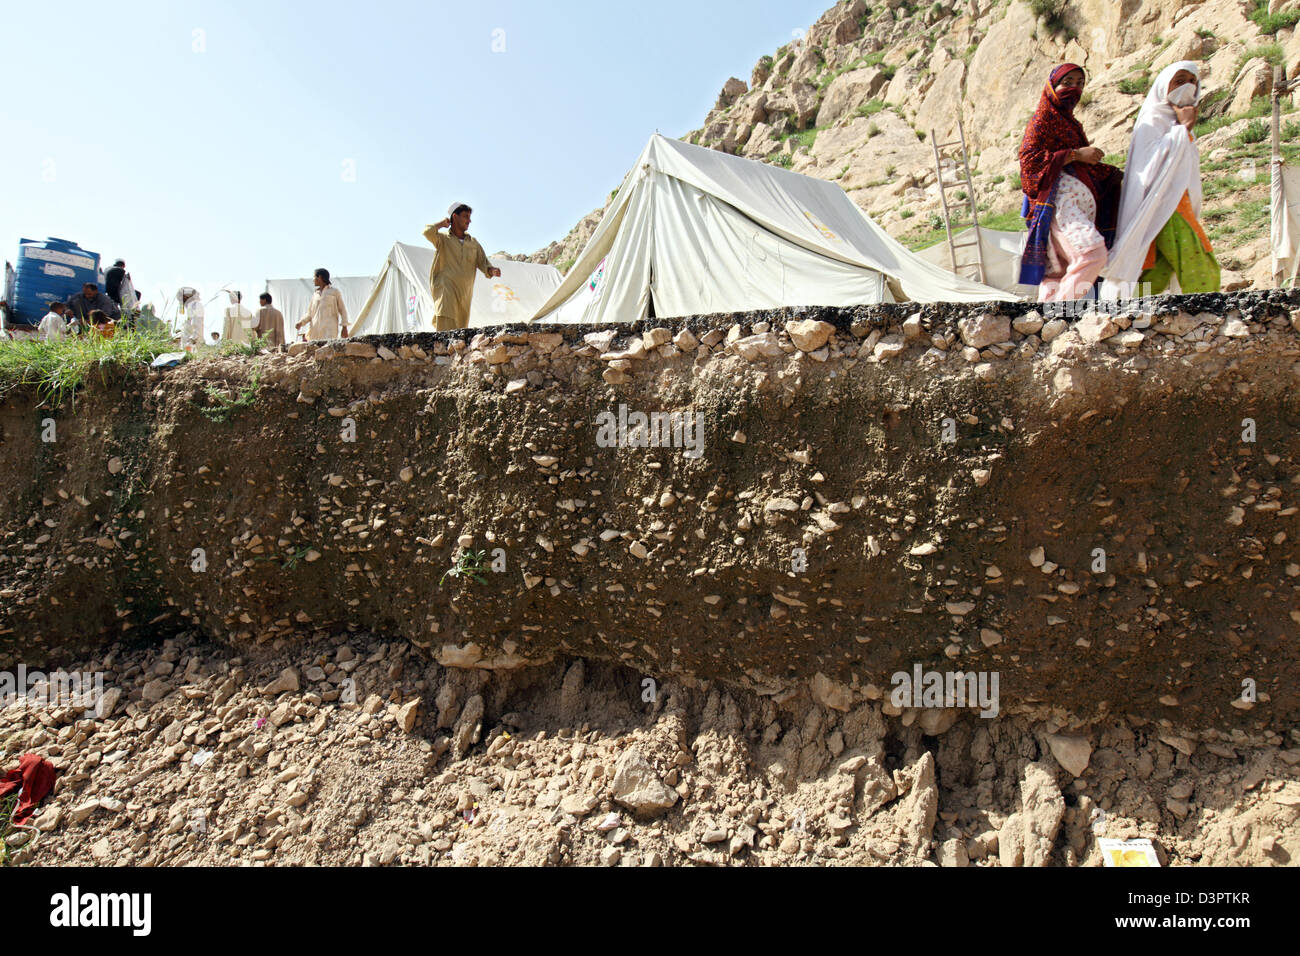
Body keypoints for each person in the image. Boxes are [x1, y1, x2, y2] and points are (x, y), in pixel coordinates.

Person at [1101, 62, 1220, 298]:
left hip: (1179, 202)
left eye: (1192, 81)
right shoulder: (1153, 119)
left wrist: (1183, 128)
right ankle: (1210, 312)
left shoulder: (1178, 122)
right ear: (1164, 86)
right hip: (1163, 203)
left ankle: (1124, 312)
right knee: (1197, 259)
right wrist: (1183, 128)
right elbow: (1148, 167)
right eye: (1179, 81)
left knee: (1156, 267)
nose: (1187, 86)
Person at [1018, 64, 1124, 302]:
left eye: (1079, 83)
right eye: (1068, 82)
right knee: (1092, 254)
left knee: (1058, 273)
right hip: (1059, 204)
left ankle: (1047, 327)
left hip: (1073, 206)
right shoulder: (1043, 118)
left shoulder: (1071, 123)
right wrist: (1077, 154)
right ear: (1052, 87)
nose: (1074, 89)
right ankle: (1060, 314)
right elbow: (1029, 161)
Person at [423, 202, 501, 331]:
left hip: (464, 293)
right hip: (446, 289)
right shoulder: (443, 239)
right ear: (455, 216)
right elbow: (427, 232)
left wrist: (491, 270)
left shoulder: (473, 243)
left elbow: (483, 262)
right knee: (445, 323)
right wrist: (442, 224)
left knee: (460, 330)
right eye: (466, 216)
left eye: (469, 217)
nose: (469, 221)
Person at [296, 268, 348, 340]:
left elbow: (342, 310)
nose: (313, 279)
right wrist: (301, 322)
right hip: (315, 333)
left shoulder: (334, 292)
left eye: (314, 277)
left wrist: (344, 327)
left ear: (319, 277)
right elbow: (310, 313)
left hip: (329, 332)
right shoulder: (315, 294)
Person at [177, 287, 204, 351]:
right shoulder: (190, 306)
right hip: (188, 342)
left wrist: (193, 339)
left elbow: (197, 324)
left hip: (192, 344)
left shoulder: (195, 305)